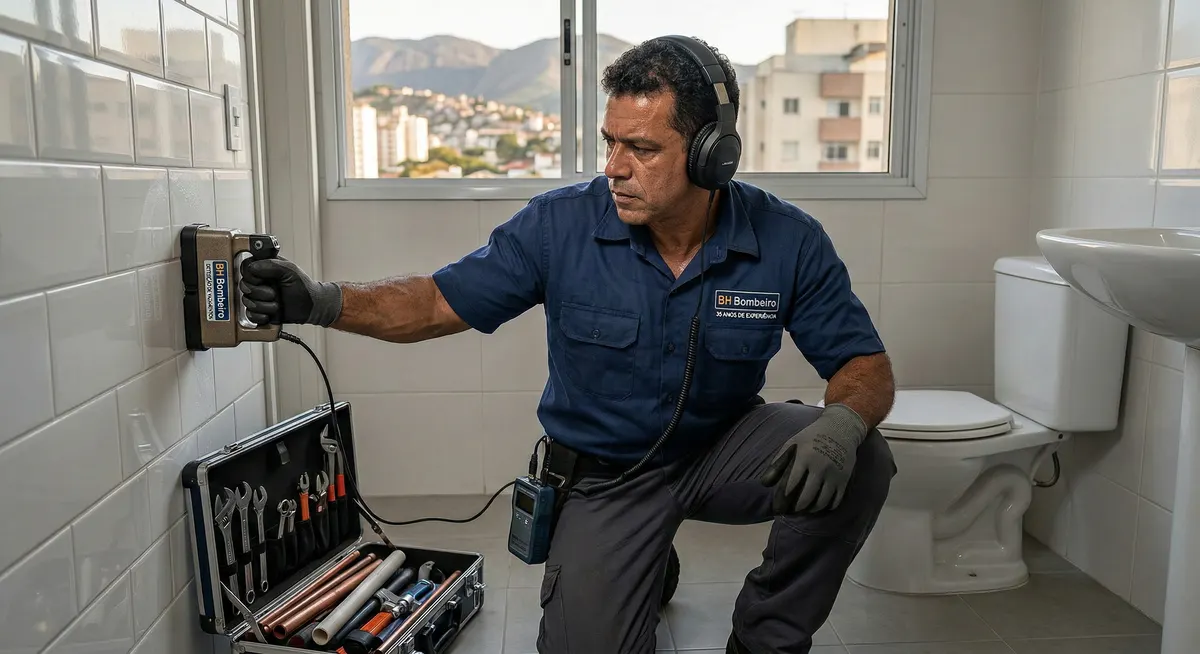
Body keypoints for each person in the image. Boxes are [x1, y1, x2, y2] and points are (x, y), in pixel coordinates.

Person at [240, 34, 896, 654]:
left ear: (710, 153)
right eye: (610, 142)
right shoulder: (560, 225)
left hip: (723, 449)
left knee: (862, 454)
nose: (613, 167)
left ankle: (766, 637)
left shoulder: (787, 239)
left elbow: (863, 365)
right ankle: (635, 561)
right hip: (606, 480)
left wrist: (840, 422)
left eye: (640, 148)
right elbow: (437, 301)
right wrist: (319, 302)